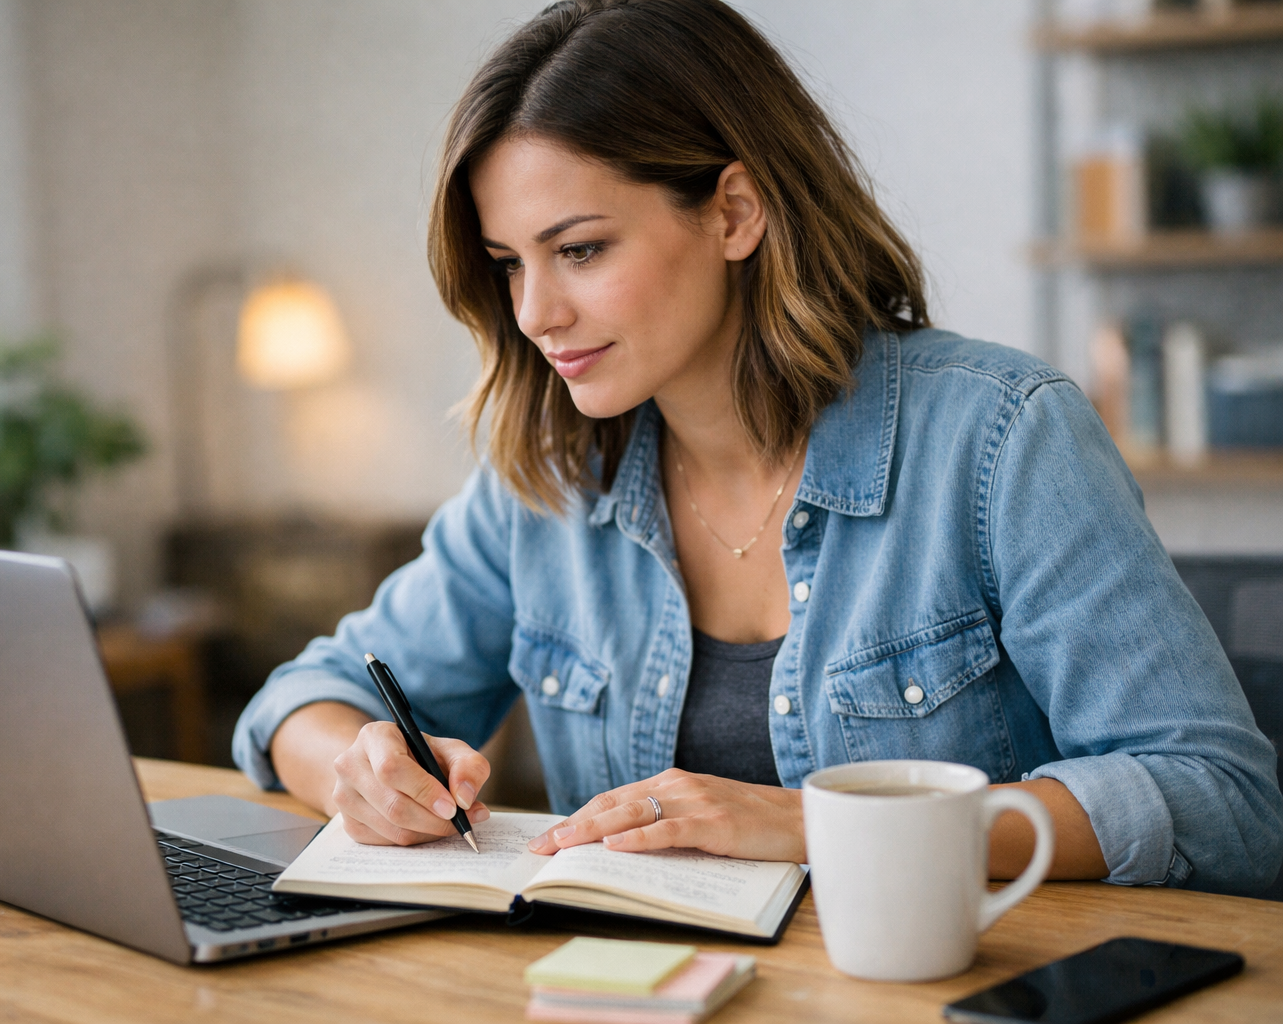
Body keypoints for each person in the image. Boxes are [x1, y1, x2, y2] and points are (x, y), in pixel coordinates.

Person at [233, 0, 1282, 895]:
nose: (535, 312)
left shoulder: (1002, 437)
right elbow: (303, 699)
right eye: (509, 264)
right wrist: (354, 766)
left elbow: (1222, 801)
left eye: (581, 250)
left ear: (735, 211)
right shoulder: (545, 476)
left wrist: (831, 827)